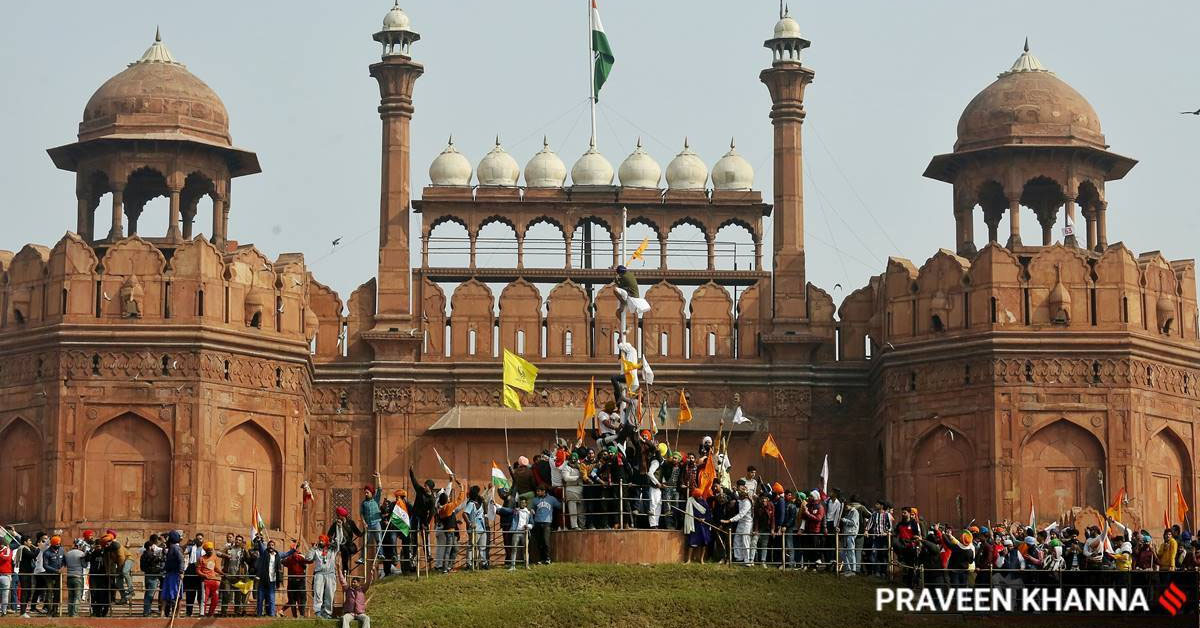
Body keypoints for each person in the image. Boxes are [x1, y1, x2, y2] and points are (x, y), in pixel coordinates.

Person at [307, 535, 338, 619]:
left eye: (322, 541)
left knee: (330, 594)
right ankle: (318, 612)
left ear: (326, 541)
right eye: (320, 540)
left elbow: (339, 541)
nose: (320, 542)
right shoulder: (316, 551)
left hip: (330, 574)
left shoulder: (332, 550)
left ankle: (327, 613)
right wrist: (313, 549)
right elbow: (308, 558)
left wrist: (339, 528)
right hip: (319, 574)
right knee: (318, 593)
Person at [279, 540, 311, 618]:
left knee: (294, 600)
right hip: (298, 581)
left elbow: (282, 561)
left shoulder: (289, 558)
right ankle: (301, 615)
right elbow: (309, 561)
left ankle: (296, 616)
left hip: (294, 581)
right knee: (300, 599)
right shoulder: (299, 557)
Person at [499, 497, 533, 570]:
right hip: (516, 531)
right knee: (514, 548)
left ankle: (526, 565)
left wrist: (528, 526)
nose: (522, 504)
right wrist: (496, 505)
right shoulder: (516, 511)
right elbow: (507, 510)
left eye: (523, 503)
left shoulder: (528, 512)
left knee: (525, 549)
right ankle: (512, 566)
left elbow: (532, 523)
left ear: (526, 504)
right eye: (521, 502)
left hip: (525, 532)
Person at [530, 486, 561, 564]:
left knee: (546, 541)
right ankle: (541, 559)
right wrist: (532, 510)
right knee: (539, 542)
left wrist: (563, 501)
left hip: (547, 522)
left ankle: (547, 558)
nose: (537, 493)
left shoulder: (551, 499)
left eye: (539, 491)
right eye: (537, 491)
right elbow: (531, 509)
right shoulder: (535, 500)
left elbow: (559, 506)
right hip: (537, 522)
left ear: (544, 491)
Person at [253, 536, 283, 617]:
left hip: (272, 580)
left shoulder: (277, 555)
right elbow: (261, 548)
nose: (271, 546)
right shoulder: (264, 553)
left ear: (274, 546)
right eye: (269, 545)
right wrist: (259, 541)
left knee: (271, 599)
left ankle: (272, 614)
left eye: (272, 545)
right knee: (260, 598)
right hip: (263, 579)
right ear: (267, 546)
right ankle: (259, 614)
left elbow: (286, 554)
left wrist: (293, 550)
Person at [328, 507, 363, 575]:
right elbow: (329, 534)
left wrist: (365, 531)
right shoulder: (335, 524)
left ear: (342, 515)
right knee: (344, 550)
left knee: (350, 550)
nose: (337, 517)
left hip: (349, 544)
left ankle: (346, 570)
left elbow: (358, 533)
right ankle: (345, 570)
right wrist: (332, 542)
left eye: (338, 515)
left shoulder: (350, 523)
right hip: (340, 544)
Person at [724, 486, 754, 565]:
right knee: (737, 540)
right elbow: (735, 496)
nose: (739, 495)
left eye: (741, 493)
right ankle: (739, 558)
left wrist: (730, 520)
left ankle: (747, 560)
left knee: (745, 541)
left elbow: (741, 514)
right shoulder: (741, 500)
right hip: (741, 523)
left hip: (747, 523)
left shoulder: (747, 502)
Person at [461, 485, 489, 569]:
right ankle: (469, 563)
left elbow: (486, 511)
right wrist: (470, 523)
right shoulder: (471, 504)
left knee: (482, 547)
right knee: (471, 546)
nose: (479, 495)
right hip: (474, 529)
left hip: (482, 528)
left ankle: (483, 563)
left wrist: (484, 501)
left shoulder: (480, 503)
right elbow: (464, 514)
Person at [194, 541, 222, 617]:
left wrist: (222, 573)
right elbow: (198, 571)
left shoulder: (215, 557)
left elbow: (216, 568)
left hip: (215, 581)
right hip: (205, 581)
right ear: (205, 550)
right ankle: (202, 614)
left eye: (211, 550)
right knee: (204, 599)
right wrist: (204, 575)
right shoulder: (201, 558)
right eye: (208, 550)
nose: (210, 551)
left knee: (215, 599)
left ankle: (211, 613)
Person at [360, 473, 384, 564]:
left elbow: (380, 489)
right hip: (368, 525)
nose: (366, 494)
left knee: (379, 540)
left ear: (371, 493)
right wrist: (364, 522)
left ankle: (380, 554)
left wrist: (379, 478)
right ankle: (362, 558)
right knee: (365, 542)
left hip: (376, 523)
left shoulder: (375, 500)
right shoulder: (364, 503)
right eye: (365, 492)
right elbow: (361, 514)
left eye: (367, 492)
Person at [160, 531, 185, 617]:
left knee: (177, 595)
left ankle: (177, 614)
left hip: (175, 574)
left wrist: (181, 572)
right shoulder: (170, 548)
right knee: (165, 594)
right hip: (169, 574)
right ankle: (162, 613)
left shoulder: (175, 548)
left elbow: (181, 560)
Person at [139, 535, 163, 617]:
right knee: (150, 594)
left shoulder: (143, 555)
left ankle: (146, 610)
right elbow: (156, 561)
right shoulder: (150, 555)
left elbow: (142, 567)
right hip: (152, 576)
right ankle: (146, 611)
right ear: (150, 547)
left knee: (147, 593)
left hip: (147, 575)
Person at [182, 532, 205, 616]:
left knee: (201, 593)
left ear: (203, 539)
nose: (199, 540)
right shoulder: (191, 547)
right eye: (197, 539)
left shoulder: (205, 549)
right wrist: (186, 544)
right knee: (190, 593)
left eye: (200, 539)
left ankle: (201, 612)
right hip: (192, 570)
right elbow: (183, 551)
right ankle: (189, 612)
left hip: (201, 572)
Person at [0, 537, 12, 617]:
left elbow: (7, 557)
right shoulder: (6, 550)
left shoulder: (6, 550)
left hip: (5, 574)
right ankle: (3, 611)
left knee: (5, 594)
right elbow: (7, 557)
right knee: (5, 594)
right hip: (5, 575)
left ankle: (4, 611)